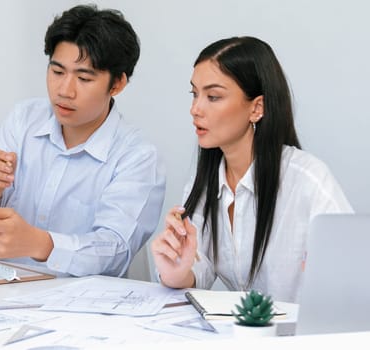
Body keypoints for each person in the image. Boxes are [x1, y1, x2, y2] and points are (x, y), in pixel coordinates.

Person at [0, 4, 166, 277]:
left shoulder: (137, 157)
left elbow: (115, 250)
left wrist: (41, 243)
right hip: (0, 286)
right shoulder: (24, 119)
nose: (64, 90)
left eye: (83, 78)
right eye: (57, 72)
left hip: (82, 306)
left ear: (117, 85)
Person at [151, 36, 353, 303]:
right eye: (194, 94)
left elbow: (353, 279)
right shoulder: (203, 183)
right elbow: (201, 267)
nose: (195, 109)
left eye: (213, 96)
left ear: (256, 108)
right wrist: (175, 270)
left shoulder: (308, 181)